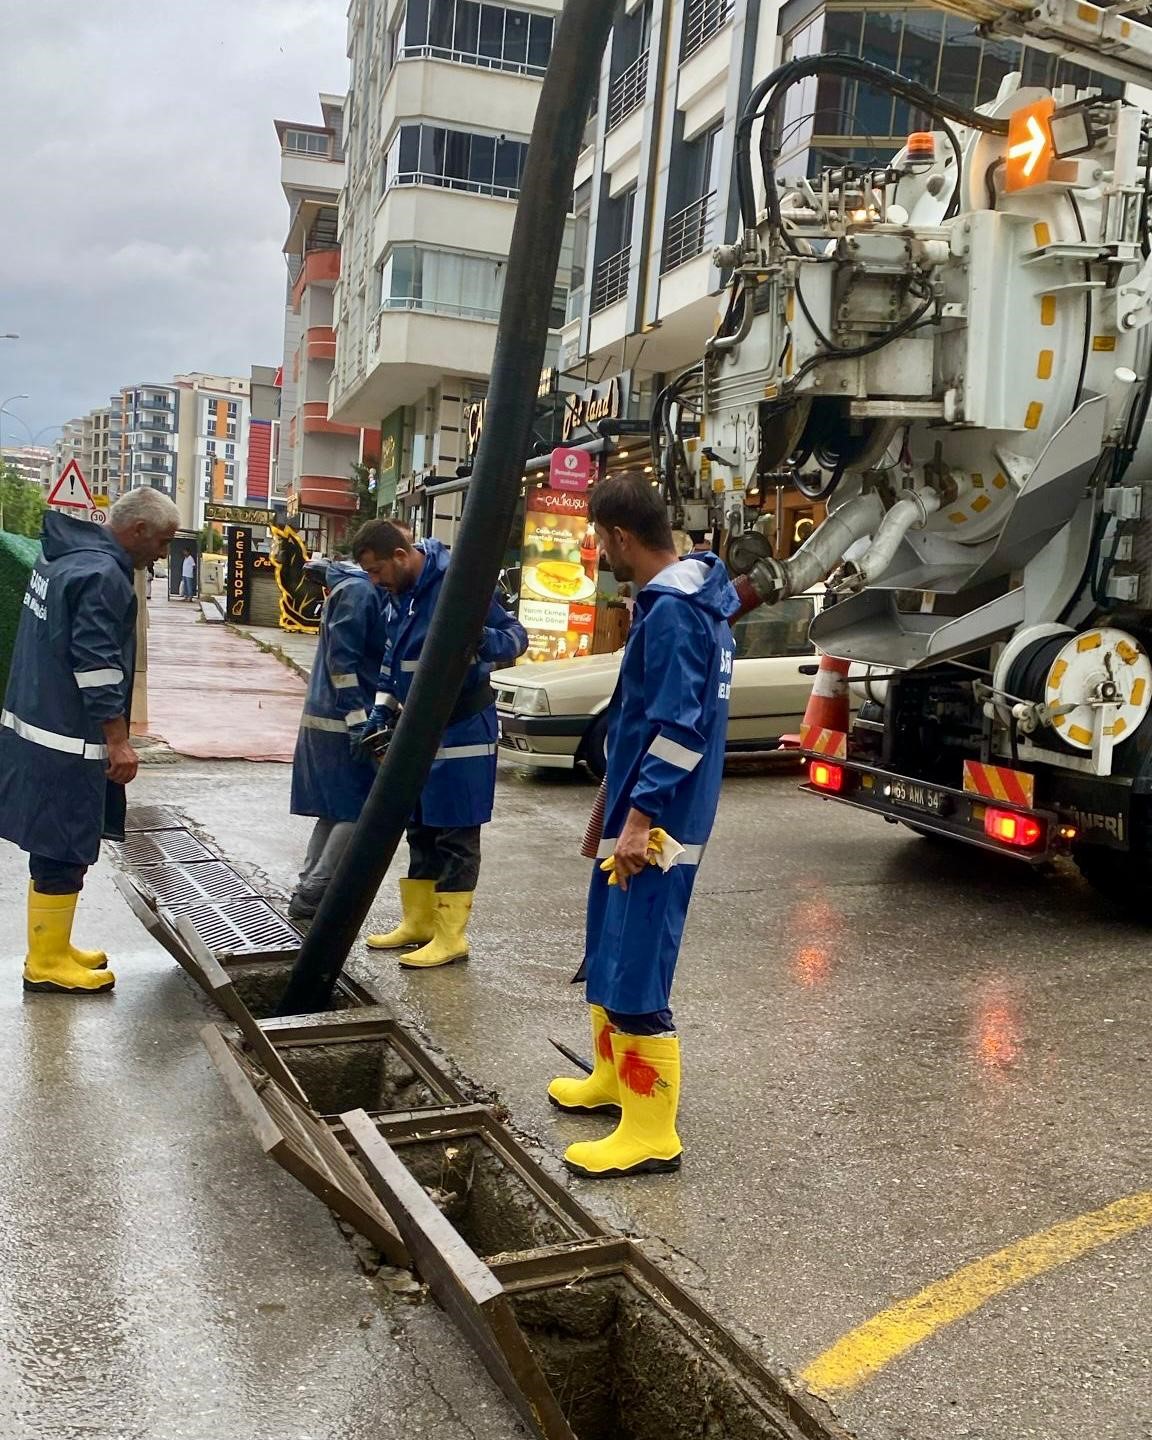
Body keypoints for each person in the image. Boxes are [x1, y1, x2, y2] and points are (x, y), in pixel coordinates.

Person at [548, 474, 737, 1178]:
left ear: (619, 536)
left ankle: (651, 1130)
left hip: (655, 826)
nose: (601, 552)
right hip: (640, 812)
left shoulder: (675, 611)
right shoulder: (690, 603)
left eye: (600, 540)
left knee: (637, 973)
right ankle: (611, 1082)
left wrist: (638, 820)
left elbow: (679, 731)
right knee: (609, 947)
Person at [0, 489, 180, 994]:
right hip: (66, 739)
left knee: (49, 843)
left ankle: (50, 946)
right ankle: (47, 962)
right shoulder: (103, 576)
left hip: (38, 726)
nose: (162, 554)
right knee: (64, 846)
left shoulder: (64, 557)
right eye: (163, 541)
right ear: (139, 529)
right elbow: (97, 666)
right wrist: (119, 741)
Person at [354, 520, 528, 969]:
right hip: (419, 731)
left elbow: (516, 637)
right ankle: (420, 923)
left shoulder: (461, 582)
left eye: (377, 571)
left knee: (457, 832)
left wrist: (480, 641)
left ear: (399, 554)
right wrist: (382, 710)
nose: (374, 582)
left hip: (464, 729)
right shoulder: (398, 597)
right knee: (422, 828)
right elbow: (394, 660)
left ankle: (451, 936)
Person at [287, 552, 397, 926]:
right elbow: (344, 665)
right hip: (344, 720)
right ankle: (315, 891)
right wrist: (357, 721)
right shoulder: (361, 593)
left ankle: (307, 889)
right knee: (356, 808)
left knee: (334, 810)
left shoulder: (350, 589)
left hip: (327, 719)